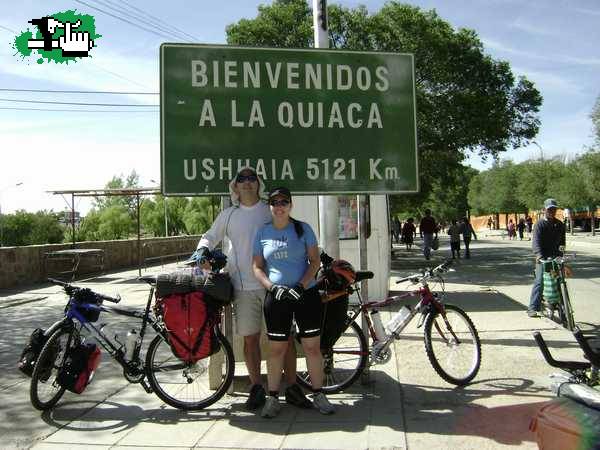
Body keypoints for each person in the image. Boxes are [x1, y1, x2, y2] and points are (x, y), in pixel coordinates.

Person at [192, 168, 310, 411]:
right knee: (250, 340)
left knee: (285, 339)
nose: (247, 183)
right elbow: (209, 236)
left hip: (276, 285)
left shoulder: (270, 210)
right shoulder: (229, 215)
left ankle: (292, 386)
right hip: (243, 286)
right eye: (241, 179)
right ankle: (256, 387)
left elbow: (290, 230)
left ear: (258, 184)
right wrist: (202, 250)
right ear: (235, 187)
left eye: (251, 179)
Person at [252, 187, 335, 417]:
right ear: (270, 206)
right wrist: (271, 287)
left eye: (284, 202)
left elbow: (315, 261)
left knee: (311, 348)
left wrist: (301, 285)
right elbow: (257, 267)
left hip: (305, 295)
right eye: (275, 202)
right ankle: (273, 399)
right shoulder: (262, 232)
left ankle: (318, 394)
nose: (279, 206)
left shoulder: (303, 229)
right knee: (276, 349)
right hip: (277, 297)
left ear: (290, 205)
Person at [527, 198, 566, 317]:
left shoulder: (559, 224)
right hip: (543, 258)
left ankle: (564, 308)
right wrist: (538, 255)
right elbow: (536, 242)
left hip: (555, 258)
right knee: (540, 282)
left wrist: (561, 254)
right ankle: (532, 308)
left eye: (554, 209)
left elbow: (562, 242)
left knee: (560, 281)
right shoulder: (540, 224)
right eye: (550, 209)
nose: (552, 211)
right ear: (545, 210)